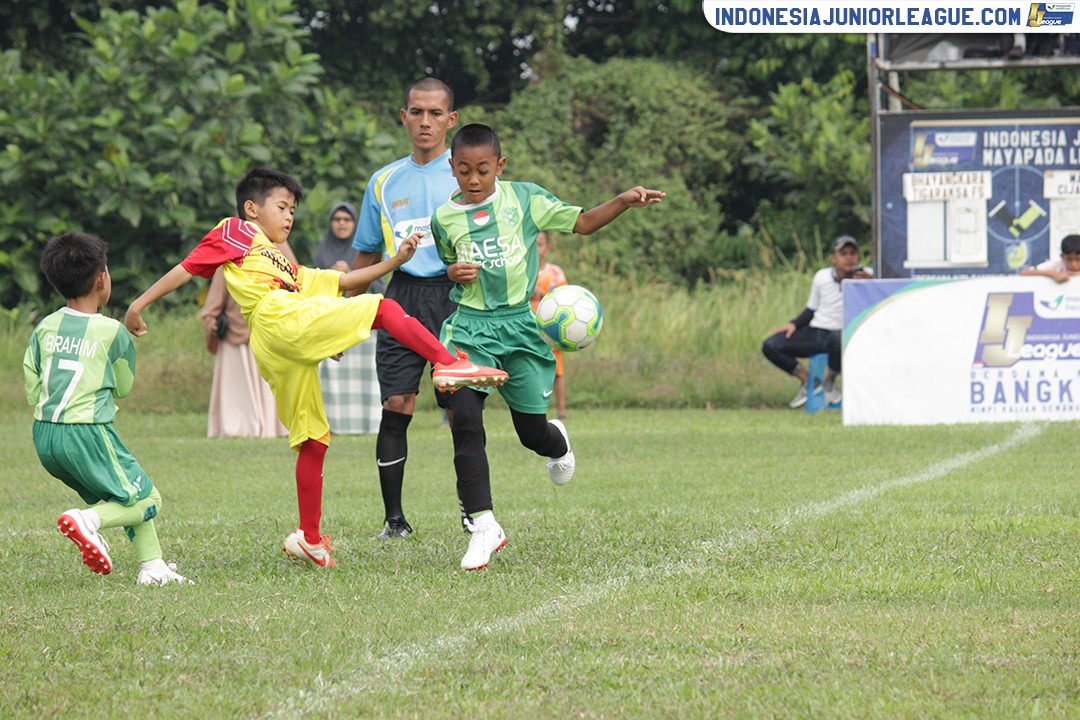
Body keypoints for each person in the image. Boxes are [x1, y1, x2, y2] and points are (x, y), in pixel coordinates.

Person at [124, 167, 507, 569]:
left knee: (313, 438)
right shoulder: (237, 231)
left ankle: (309, 539)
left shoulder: (287, 267)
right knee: (385, 307)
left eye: (293, 210)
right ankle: (449, 363)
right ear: (252, 208)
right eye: (282, 207)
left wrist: (394, 261)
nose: (289, 217)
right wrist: (138, 304)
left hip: (278, 343)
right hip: (276, 320)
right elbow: (189, 267)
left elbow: (340, 282)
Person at [432, 123, 665, 571]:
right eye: (464, 170)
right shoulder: (443, 218)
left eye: (483, 169)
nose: (474, 179)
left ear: (500, 165)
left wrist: (622, 201)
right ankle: (483, 526)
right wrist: (451, 274)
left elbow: (582, 223)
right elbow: (448, 262)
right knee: (463, 416)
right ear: (452, 168)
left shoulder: (525, 199)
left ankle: (557, 443)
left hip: (520, 327)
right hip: (470, 330)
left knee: (530, 433)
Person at [25, 232, 189, 585]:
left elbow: (33, 382)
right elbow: (124, 387)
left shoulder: (44, 327)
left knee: (123, 491)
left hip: (44, 434)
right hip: (87, 432)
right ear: (102, 278)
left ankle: (153, 568)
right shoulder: (112, 331)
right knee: (149, 498)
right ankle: (88, 521)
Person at [349, 77, 462, 541]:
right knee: (397, 402)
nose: (425, 122)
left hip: (456, 299)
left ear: (451, 120)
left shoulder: (466, 175)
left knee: (461, 407)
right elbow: (365, 257)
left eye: (436, 114)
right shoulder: (382, 181)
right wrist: (341, 322)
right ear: (403, 116)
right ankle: (394, 522)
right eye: (416, 112)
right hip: (403, 297)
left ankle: (475, 515)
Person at [762, 234, 872, 409]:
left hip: (847, 335)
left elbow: (878, 304)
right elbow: (811, 309)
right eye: (843, 253)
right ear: (834, 258)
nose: (849, 257)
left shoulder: (869, 276)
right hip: (818, 332)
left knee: (837, 336)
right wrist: (794, 324)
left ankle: (829, 381)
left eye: (853, 253)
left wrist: (870, 285)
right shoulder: (822, 277)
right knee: (771, 344)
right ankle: (809, 382)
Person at [313, 202, 382, 435]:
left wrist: (353, 276)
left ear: (355, 223)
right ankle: (333, 424)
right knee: (330, 378)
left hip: (361, 325)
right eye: (337, 219)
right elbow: (309, 290)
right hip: (331, 325)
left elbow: (379, 287)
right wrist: (332, 276)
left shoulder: (364, 252)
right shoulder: (322, 252)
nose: (342, 224)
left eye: (347, 220)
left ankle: (368, 423)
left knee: (365, 378)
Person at [199, 267, 288, 438]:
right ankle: (240, 425)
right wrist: (213, 324)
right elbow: (212, 306)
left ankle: (271, 425)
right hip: (236, 336)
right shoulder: (229, 263)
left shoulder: (274, 255)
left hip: (269, 336)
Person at [530, 231, 569, 420]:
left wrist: (542, 294)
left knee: (557, 371)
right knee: (533, 371)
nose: (537, 249)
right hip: (528, 328)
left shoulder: (555, 273)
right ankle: (536, 411)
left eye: (540, 244)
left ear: (548, 247)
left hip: (551, 329)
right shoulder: (521, 271)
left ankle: (562, 411)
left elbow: (564, 300)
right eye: (533, 244)